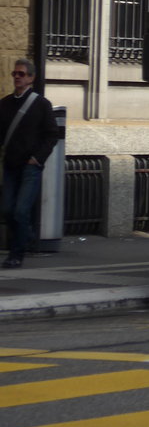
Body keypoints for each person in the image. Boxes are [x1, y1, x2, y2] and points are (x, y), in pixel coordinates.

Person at [0, 58, 59, 269]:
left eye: (22, 74)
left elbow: (52, 135)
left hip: (30, 166)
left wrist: (38, 158)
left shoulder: (41, 104)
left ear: (31, 78)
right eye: (15, 73)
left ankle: (17, 253)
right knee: (7, 210)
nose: (17, 77)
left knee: (20, 211)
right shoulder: (5, 104)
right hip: (10, 165)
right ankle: (27, 235)